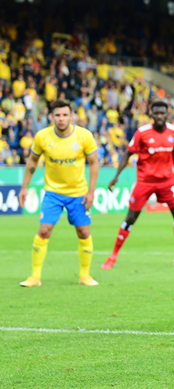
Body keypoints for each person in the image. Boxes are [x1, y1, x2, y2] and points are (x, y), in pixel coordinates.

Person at [102, 100, 174, 269]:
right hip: (145, 181)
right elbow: (127, 154)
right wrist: (116, 176)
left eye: (162, 113)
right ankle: (113, 257)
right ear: (151, 114)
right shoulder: (142, 133)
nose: (159, 116)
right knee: (130, 218)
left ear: (167, 114)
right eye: (156, 113)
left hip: (167, 181)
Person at [18, 99, 100, 287]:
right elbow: (32, 162)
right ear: (51, 117)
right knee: (44, 231)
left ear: (71, 116)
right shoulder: (42, 137)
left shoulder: (84, 136)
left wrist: (91, 192)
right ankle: (35, 277)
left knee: (83, 232)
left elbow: (94, 163)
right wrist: (24, 187)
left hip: (78, 193)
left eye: (65, 115)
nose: (61, 119)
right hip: (53, 193)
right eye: (57, 115)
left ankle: (85, 275)